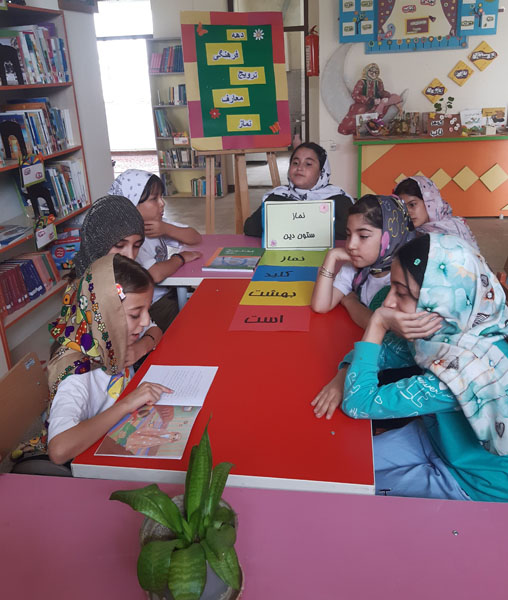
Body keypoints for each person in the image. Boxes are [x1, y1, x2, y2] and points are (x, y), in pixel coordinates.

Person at [313, 233, 508, 502]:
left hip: (470, 483)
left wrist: (378, 323)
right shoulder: (450, 329)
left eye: (402, 293)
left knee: (342, 493)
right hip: (434, 440)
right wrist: (344, 372)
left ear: (441, 302)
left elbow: (358, 402)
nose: (388, 303)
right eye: (392, 288)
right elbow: (385, 351)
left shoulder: (463, 371)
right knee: (331, 468)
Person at [47, 254, 172, 465]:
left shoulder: (108, 337)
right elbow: (59, 450)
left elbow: (154, 330)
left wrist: (142, 346)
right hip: (91, 457)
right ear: (105, 314)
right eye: (135, 314)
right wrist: (126, 404)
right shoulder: (76, 374)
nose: (145, 321)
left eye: (147, 311)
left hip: (124, 428)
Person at [66, 194, 162, 366]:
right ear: (98, 242)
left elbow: (153, 329)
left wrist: (141, 348)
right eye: (119, 245)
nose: (130, 256)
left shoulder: (122, 278)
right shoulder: (84, 293)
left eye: (137, 246)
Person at [110, 169, 202, 331]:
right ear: (132, 204)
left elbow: (195, 237)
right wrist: (180, 258)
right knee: (194, 325)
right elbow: (155, 274)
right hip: (152, 304)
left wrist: (166, 228)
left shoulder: (154, 224)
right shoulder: (128, 239)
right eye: (154, 199)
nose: (162, 203)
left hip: (168, 291)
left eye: (161, 197)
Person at [311, 194, 414, 329]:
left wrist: (350, 301)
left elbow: (380, 325)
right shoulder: (354, 268)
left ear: (390, 236)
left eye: (363, 236)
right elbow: (320, 306)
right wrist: (331, 256)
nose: (351, 245)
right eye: (348, 235)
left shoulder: (404, 278)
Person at [243, 142, 354, 240]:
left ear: (322, 172)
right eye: (295, 163)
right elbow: (250, 228)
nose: (299, 168)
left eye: (308, 164)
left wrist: (297, 223)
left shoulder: (338, 199)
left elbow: (351, 230)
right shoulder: (277, 197)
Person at [394, 175, 479, 251]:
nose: (407, 212)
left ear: (429, 202)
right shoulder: (403, 231)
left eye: (412, 204)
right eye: (402, 207)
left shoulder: (453, 229)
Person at [338, 63, 402, 136]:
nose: (373, 74)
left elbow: (381, 92)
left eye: (376, 72)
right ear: (366, 71)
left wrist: (386, 96)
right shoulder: (362, 82)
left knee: (382, 109)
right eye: (371, 71)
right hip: (363, 103)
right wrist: (370, 100)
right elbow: (355, 95)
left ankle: (374, 128)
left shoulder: (378, 82)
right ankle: (353, 129)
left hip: (376, 103)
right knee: (360, 110)